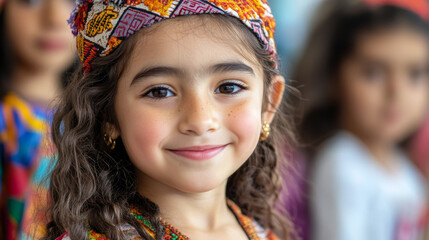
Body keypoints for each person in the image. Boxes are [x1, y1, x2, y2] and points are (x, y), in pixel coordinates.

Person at [44, 0, 297, 239]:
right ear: (107, 113)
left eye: (229, 88)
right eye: (160, 92)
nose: (200, 120)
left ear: (268, 103)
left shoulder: (264, 233)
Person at [290, 0, 429, 239]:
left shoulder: (408, 174)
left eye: (415, 74)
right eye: (373, 72)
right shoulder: (343, 163)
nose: (396, 92)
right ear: (334, 78)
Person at [0, 0, 75, 239]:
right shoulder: (6, 121)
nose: (54, 19)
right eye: (30, 1)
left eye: (73, 1)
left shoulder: (104, 122)